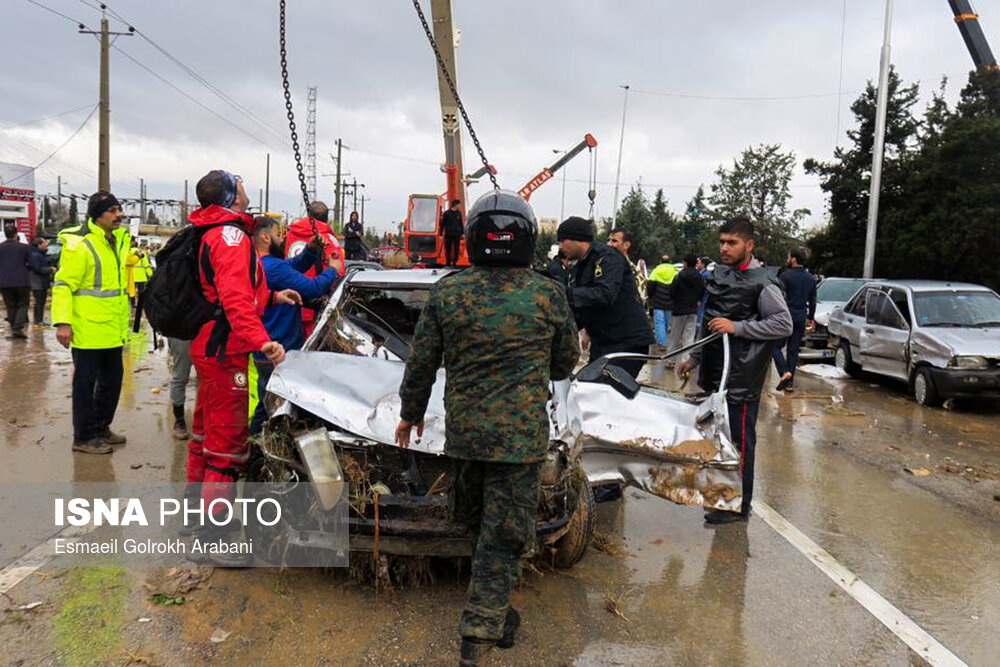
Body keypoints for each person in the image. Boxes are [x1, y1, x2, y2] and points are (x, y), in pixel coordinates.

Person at [396, 190, 579, 666]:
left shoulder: (448, 292)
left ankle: (495, 611)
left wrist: (409, 415)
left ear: (474, 238)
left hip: (464, 437)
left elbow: (420, 364)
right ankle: (478, 635)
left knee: (476, 523)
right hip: (518, 444)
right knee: (504, 534)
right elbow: (564, 364)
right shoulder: (547, 293)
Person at [186, 170, 297, 564]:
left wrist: (272, 296)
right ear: (233, 196)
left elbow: (239, 289)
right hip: (226, 349)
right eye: (239, 182)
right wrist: (261, 341)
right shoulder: (232, 236)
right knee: (227, 446)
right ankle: (212, 540)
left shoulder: (217, 231)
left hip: (209, 343)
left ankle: (193, 514)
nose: (246, 187)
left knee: (203, 433)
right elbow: (234, 299)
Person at [677, 217, 792, 525]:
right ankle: (722, 498)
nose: (724, 248)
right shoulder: (718, 275)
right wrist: (694, 357)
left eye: (732, 243)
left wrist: (738, 327)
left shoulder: (763, 282)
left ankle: (740, 505)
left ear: (749, 245)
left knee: (740, 444)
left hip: (743, 376)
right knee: (717, 440)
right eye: (722, 242)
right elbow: (709, 321)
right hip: (715, 373)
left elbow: (784, 324)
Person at [52, 192, 132, 454]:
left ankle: (100, 427)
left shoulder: (116, 240)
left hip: (112, 328)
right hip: (87, 328)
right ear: (98, 215)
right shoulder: (81, 244)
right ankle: (83, 437)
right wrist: (63, 322)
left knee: (113, 381)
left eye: (119, 209)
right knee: (85, 385)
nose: (118, 214)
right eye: (113, 210)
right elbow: (64, 285)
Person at [248, 216, 336, 434]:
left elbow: (291, 265)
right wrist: (333, 269)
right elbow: (314, 288)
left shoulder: (259, 264)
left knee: (266, 398)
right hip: (279, 348)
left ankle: (254, 442)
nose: (283, 239)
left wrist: (310, 250)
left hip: (264, 347)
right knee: (273, 404)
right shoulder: (274, 267)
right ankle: (257, 444)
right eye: (279, 235)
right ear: (266, 237)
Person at [558, 216, 653, 378]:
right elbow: (584, 306)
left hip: (625, 342)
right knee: (586, 388)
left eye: (561, 241)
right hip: (604, 342)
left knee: (604, 394)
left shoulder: (607, 257)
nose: (560, 247)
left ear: (576, 239)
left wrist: (560, 293)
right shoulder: (582, 265)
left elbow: (604, 294)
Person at [286, 201, 344, 339]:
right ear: (327, 219)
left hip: (289, 300)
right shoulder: (329, 238)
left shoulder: (289, 235)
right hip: (315, 304)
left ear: (308, 215)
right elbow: (339, 271)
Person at [773, 246, 817, 392]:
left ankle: (784, 372)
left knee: (774, 346)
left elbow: (776, 296)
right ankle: (790, 383)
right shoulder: (811, 278)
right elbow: (813, 300)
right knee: (793, 349)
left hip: (785, 316)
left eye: (788, 256)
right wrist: (810, 317)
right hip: (801, 316)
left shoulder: (785, 276)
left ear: (793, 259)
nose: (787, 259)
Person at [666, 254, 706, 357]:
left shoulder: (679, 276)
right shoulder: (699, 276)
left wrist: (675, 300)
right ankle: (686, 361)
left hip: (679, 309)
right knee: (689, 337)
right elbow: (702, 291)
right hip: (693, 309)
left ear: (686, 263)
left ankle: (670, 359)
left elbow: (672, 292)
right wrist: (697, 300)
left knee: (674, 336)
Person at [0, 223, 32, 339]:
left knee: (10, 306)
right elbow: (31, 264)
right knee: (23, 304)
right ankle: (18, 328)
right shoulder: (24, 247)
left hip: (5, 281)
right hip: (22, 280)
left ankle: (15, 329)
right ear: (16, 234)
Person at [608, 228, 648, 305]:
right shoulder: (603, 267)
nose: (609, 244)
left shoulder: (635, 274)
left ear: (626, 245)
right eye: (609, 240)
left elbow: (639, 303)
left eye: (614, 241)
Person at [647, 255, 677, 350]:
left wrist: (650, 298)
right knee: (667, 322)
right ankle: (666, 341)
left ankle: (662, 343)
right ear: (670, 261)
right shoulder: (675, 271)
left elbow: (650, 287)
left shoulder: (655, 271)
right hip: (670, 301)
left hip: (657, 301)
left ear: (660, 261)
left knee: (659, 322)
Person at [28, 237, 56, 326]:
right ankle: (38, 320)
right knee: (39, 302)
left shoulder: (39, 254)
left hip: (40, 282)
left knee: (40, 302)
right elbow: (37, 269)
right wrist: (50, 270)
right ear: (39, 245)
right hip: (38, 282)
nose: (46, 244)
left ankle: (38, 320)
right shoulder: (36, 255)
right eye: (44, 243)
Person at [439, 198, 464, 265]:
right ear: (455, 205)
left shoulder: (459, 213)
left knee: (456, 249)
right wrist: (440, 234)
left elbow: (461, 223)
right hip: (449, 234)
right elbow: (443, 224)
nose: (460, 206)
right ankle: (448, 262)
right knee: (448, 249)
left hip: (457, 234)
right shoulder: (446, 213)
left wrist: (462, 233)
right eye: (459, 204)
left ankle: (455, 262)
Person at [696, 256, 712, 331]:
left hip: (703, 299)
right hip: (703, 298)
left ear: (703, 264)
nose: (697, 264)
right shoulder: (705, 274)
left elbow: (702, 288)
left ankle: (699, 331)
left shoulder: (704, 275)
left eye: (698, 263)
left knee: (700, 315)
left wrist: (699, 299)